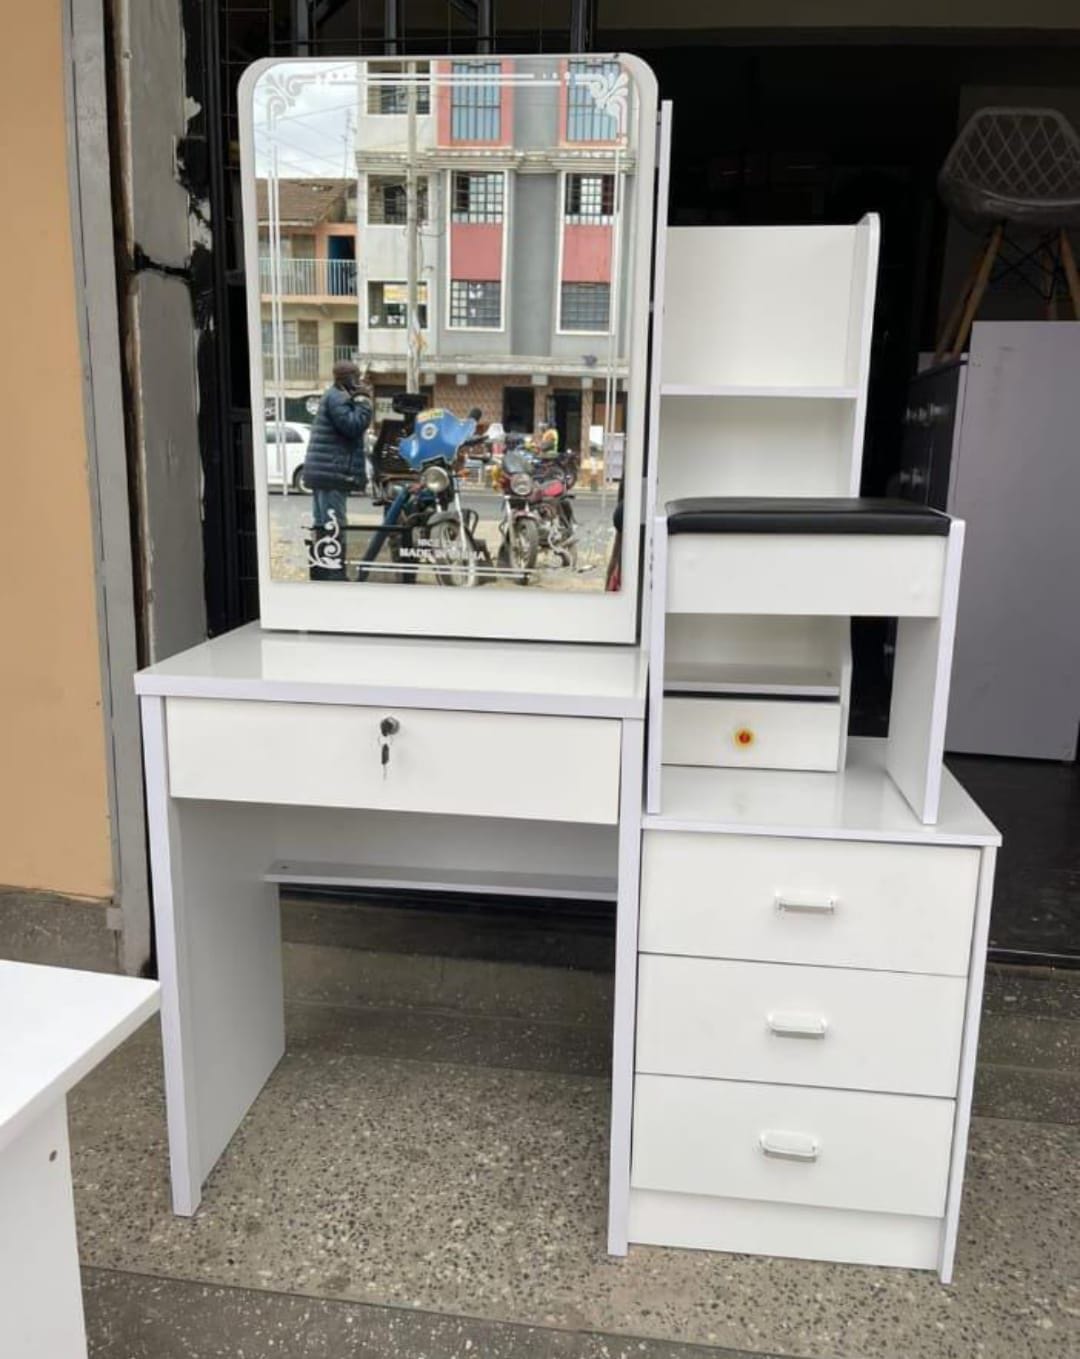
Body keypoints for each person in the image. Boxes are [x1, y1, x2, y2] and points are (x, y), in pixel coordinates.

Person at [303, 360, 373, 580]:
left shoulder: (334, 395)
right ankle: (333, 573)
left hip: (325, 471)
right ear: (349, 378)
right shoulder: (337, 397)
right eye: (357, 376)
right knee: (334, 523)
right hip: (332, 472)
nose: (360, 380)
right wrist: (363, 400)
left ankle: (323, 570)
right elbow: (353, 425)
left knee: (324, 522)